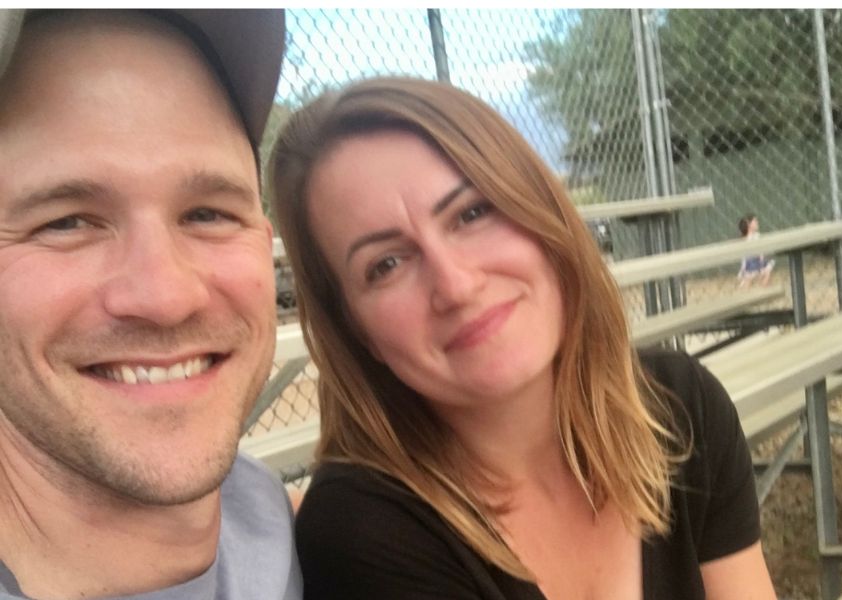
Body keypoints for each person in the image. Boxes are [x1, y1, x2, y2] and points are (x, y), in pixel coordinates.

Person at [269, 76, 776, 599]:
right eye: (387, 264)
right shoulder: (362, 531)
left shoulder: (676, 407)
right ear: (355, 332)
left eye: (470, 213)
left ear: (541, 212)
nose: (457, 285)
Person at [0, 9, 302, 599]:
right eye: (66, 223)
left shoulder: (279, 519)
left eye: (207, 213)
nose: (166, 298)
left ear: (263, 246)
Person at [737, 214, 775, 288]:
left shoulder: (757, 235)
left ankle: (763, 289)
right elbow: (745, 256)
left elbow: (761, 250)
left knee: (767, 272)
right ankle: (744, 287)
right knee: (749, 280)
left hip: (758, 260)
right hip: (751, 262)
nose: (757, 222)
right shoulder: (746, 239)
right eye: (755, 221)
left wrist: (761, 257)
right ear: (749, 224)